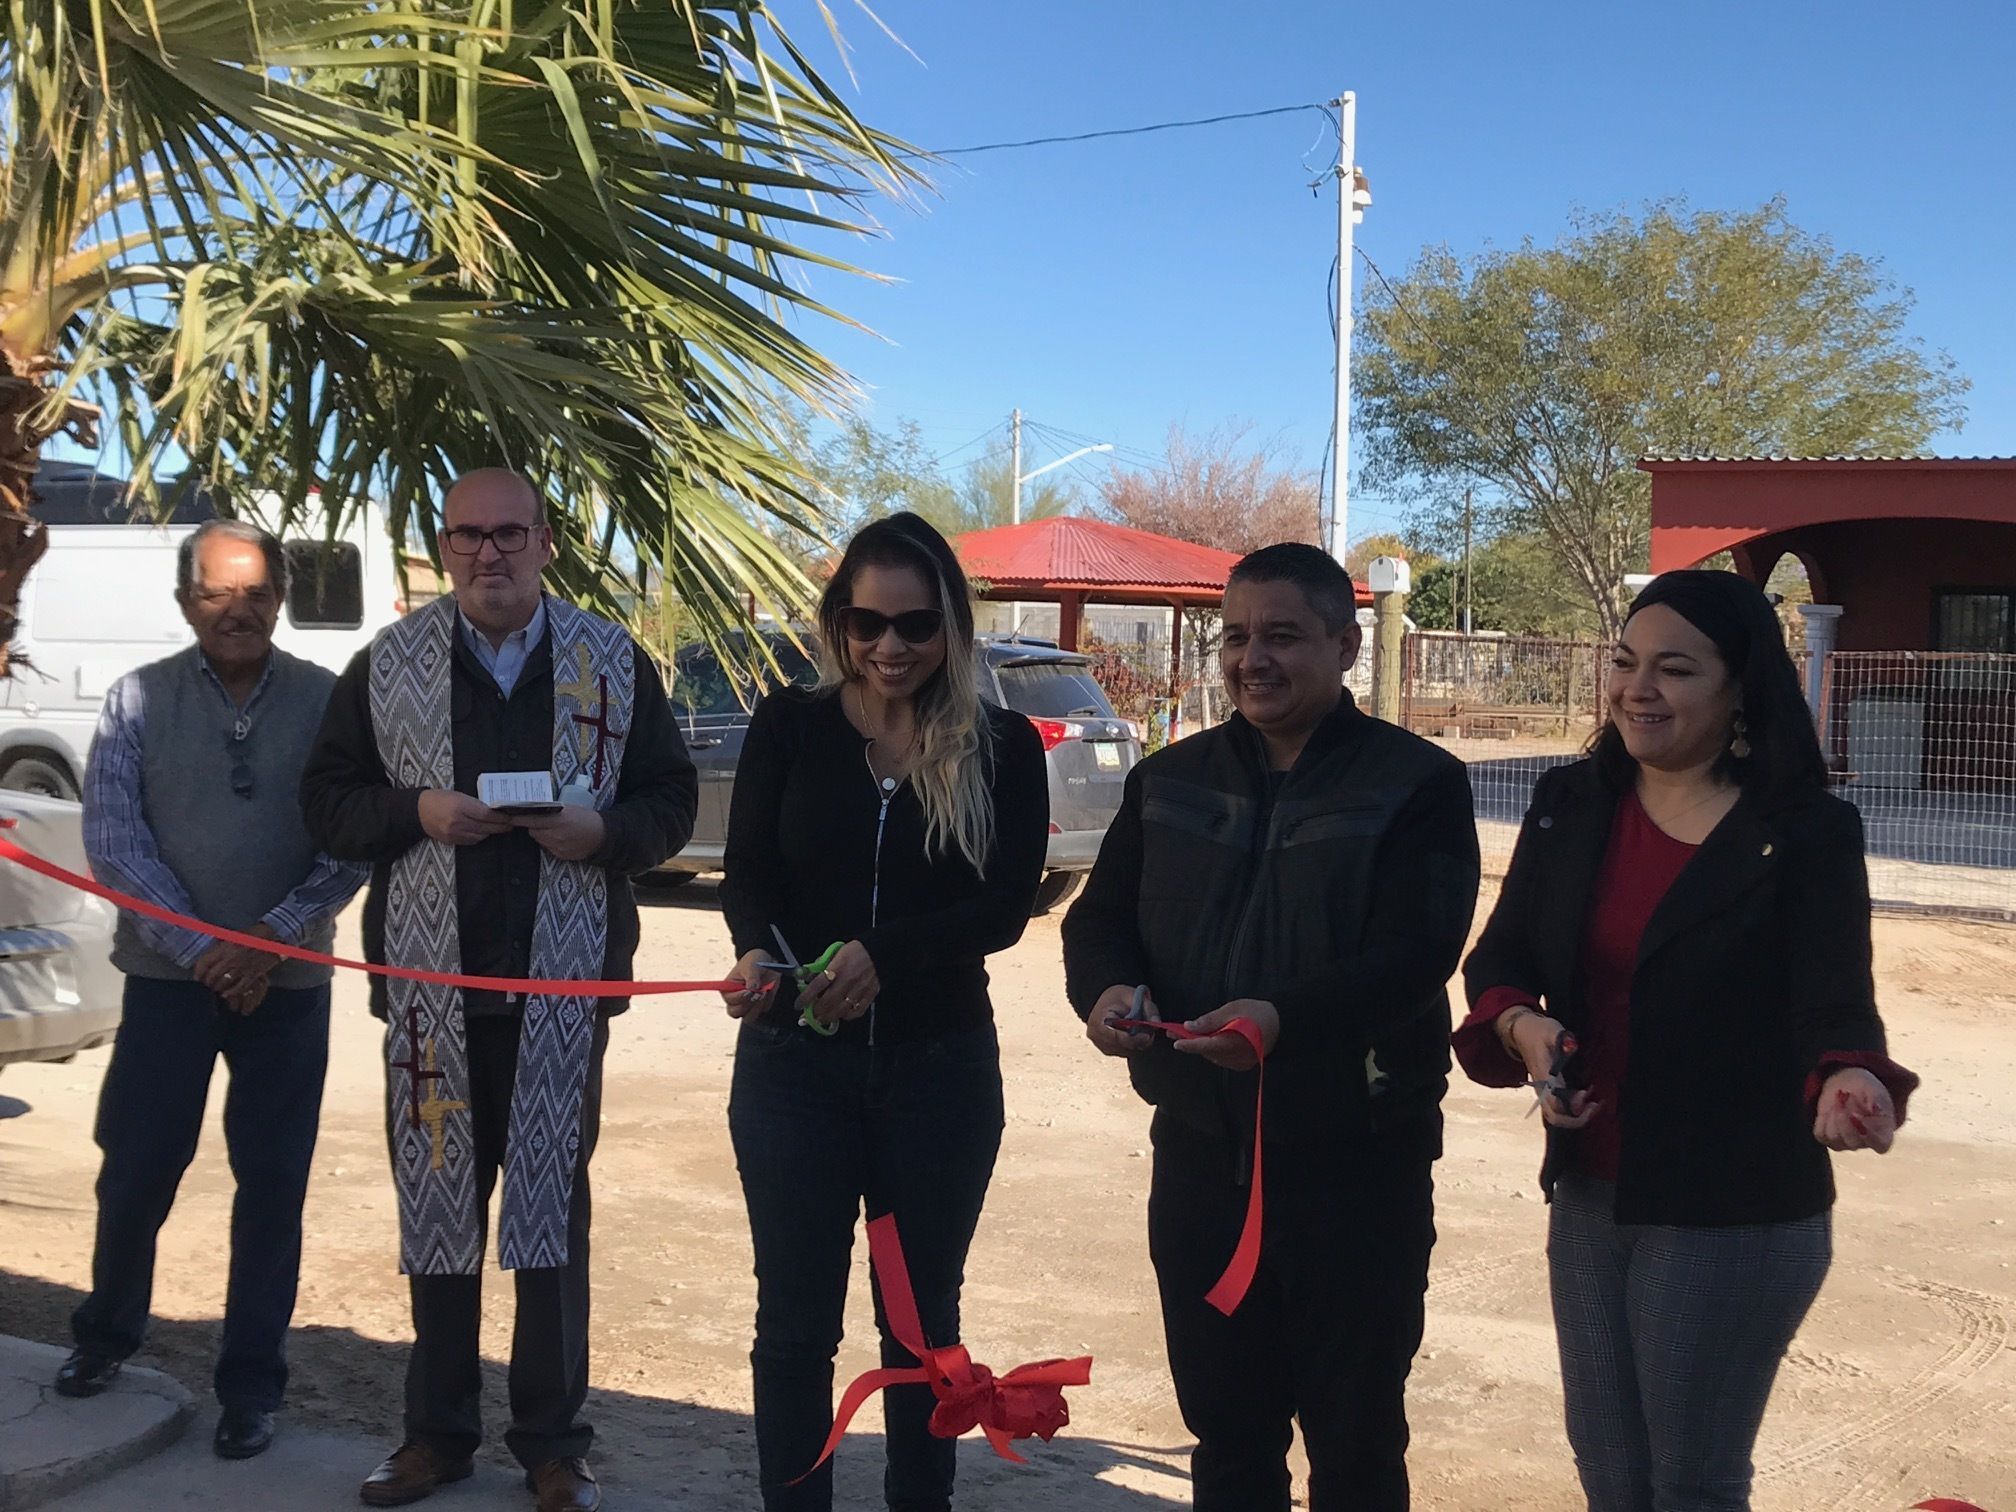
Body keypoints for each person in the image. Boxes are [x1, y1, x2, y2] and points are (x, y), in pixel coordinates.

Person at [1455, 569, 1919, 1512]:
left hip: (1735, 1202)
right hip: (1590, 1188)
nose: (1637, 689)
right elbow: (1499, 957)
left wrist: (1847, 1078)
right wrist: (1525, 1026)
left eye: (1674, 669)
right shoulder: (1568, 802)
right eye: (1625, 663)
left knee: (1691, 1486)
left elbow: (1833, 1004)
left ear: (1740, 687)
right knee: (1612, 1476)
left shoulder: (1806, 830)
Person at [299, 469, 696, 1512]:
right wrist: (414, 809)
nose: (491, 553)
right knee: (440, 1216)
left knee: (551, 1226)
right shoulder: (387, 665)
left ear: (547, 541)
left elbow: (670, 799)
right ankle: (435, 1437)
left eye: (510, 533)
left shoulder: (613, 662)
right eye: (469, 535)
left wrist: (604, 834)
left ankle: (555, 1447)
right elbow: (328, 804)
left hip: (562, 997)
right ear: (444, 546)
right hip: (436, 994)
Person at [1062, 542, 1481, 1512]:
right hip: (1201, 1158)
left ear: (1345, 645)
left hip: (1357, 1167)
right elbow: (1100, 919)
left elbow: (1417, 955)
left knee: (1357, 1442)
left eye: (1283, 636)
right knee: (1228, 1437)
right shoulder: (1168, 781)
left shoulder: (1416, 784)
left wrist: (1282, 1021)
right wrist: (1107, 991)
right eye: (1238, 636)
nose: (1254, 658)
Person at [717, 512, 1048, 1512]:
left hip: (936, 1070)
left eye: (914, 625)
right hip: (794, 1073)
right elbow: (749, 875)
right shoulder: (789, 725)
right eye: (866, 622)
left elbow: (1002, 906)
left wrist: (882, 957)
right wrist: (758, 956)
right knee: (794, 1325)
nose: (888, 647)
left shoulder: (1002, 744)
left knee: (918, 1320)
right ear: (838, 622)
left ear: (951, 625)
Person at [64, 519, 365, 1460]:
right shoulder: (136, 699)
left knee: (272, 1186)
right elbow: (116, 843)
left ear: (280, 595)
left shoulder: (328, 701)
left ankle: (251, 1387)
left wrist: (270, 940)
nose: (237, 610)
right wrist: (207, 951)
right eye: (214, 592)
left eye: (254, 591)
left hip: (288, 983)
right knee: (138, 1169)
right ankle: (107, 1337)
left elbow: (350, 836)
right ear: (185, 600)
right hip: (168, 982)